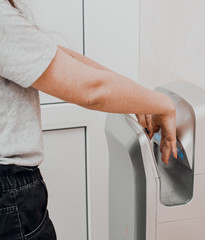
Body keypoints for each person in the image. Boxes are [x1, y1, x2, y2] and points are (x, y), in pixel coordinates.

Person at [0, 0, 177, 239]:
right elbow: (90, 89)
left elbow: (53, 55)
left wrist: (137, 96)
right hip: (8, 192)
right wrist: (163, 105)